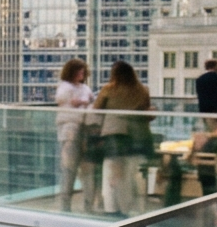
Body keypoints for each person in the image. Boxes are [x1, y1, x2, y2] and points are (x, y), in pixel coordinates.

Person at [93, 61, 154, 215]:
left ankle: (111, 208)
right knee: (129, 173)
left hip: (115, 133)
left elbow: (96, 109)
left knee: (111, 172)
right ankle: (129, 208)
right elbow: (146, 109)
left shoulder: (109, 89)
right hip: (137, 134)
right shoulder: (142, 90)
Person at [53, 59, 96, 211]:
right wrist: (80, 102)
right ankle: (65, 206)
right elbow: (63, 99)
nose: (81, 74)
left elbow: (90, 101)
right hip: (70, 129)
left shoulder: (85, 88)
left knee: (88, 169)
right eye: (78, 71)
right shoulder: (64, 87)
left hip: (86, 129)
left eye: (83, 71)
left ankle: (89, 206)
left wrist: (82, 102)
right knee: (69, 169)